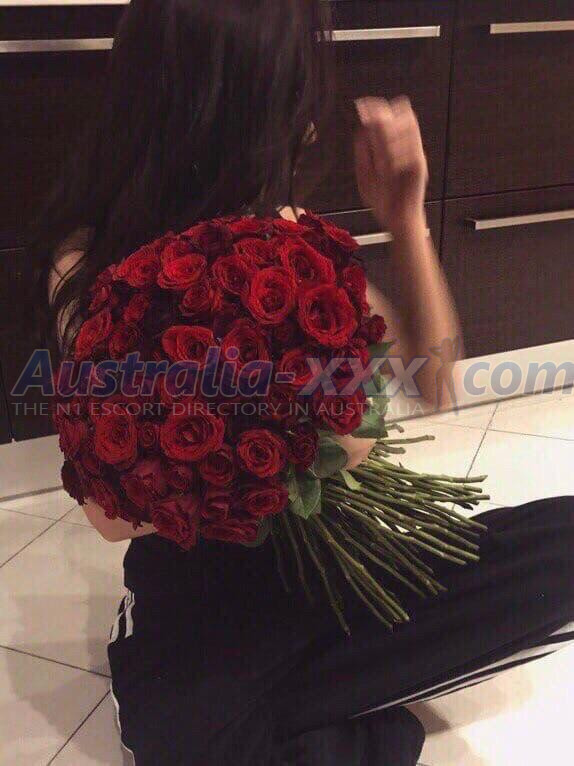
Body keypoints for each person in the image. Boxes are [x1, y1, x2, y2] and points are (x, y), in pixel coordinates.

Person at [34, 2, 574, 764]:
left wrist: (406, 218)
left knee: (560, 554)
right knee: (200, 737)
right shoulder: (89, 268)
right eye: (293, 97)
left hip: (321, 578)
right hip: (196, 604)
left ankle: (321, 704)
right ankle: (326, 706)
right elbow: (110, 517)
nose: (310, 126)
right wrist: (280, 443)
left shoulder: (287, 239)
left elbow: (434, 378)